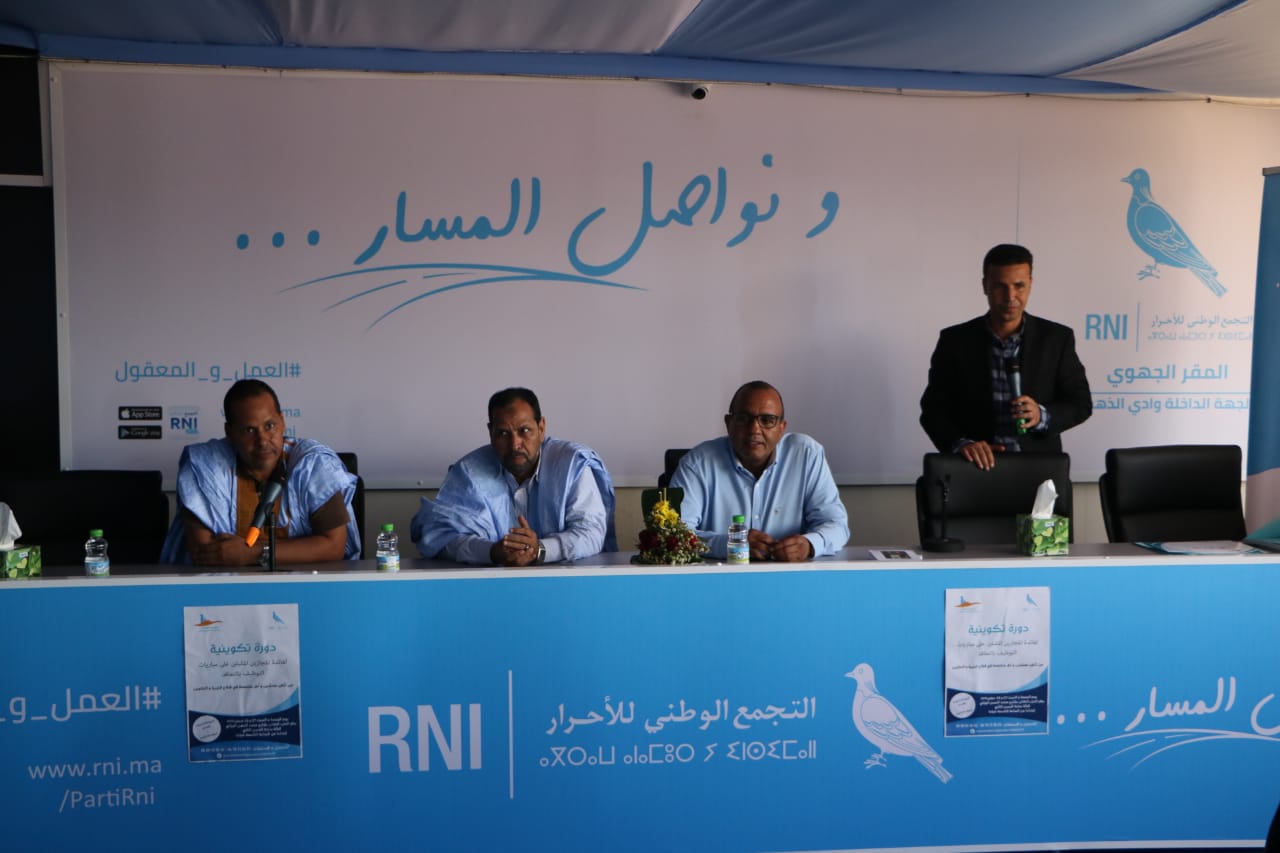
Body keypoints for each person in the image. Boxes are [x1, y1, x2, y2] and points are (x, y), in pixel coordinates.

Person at [920, 243, 1092, 470]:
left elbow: (1080, 403)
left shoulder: (1057, 338)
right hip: (974, 469)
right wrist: (961, 444)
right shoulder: (955, 341)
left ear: (1030, 284)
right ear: (985, 286)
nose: (1010, 296)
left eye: (1019, 286)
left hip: (1038, 469)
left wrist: (1041, 416)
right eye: (1000, 286)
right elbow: (933, 411)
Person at [160, 379, 360, 567]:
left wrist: (254, 553)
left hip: (304, 586)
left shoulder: (312, 465)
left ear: (282, 422)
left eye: (270, 426)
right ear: (230, 432)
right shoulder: (203, 466)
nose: (263, 440)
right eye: (249, 430)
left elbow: (333, 546)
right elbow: (206, 554)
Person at [412, 387, 616, 566]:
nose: (515, 444)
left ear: (541, 428)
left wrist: (539, 550)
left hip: (566, 586)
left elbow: (591, 533)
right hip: (491, 587)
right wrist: (492, 552)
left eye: (524, 430)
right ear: (490, 432)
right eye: (503, 433)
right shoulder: (469, 472)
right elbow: (440, 538)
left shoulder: (571, 465)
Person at [670, 381, 849, 562]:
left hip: (789, 575)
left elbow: (836, 525)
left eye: (767, 420)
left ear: (782, 428)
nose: (754, 429)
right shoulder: (697, 464)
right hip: (718, 575)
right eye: (744, 418)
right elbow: (674, 536)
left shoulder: (806, 455)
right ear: (729, 424)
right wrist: (731, 543)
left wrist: (809, 545)